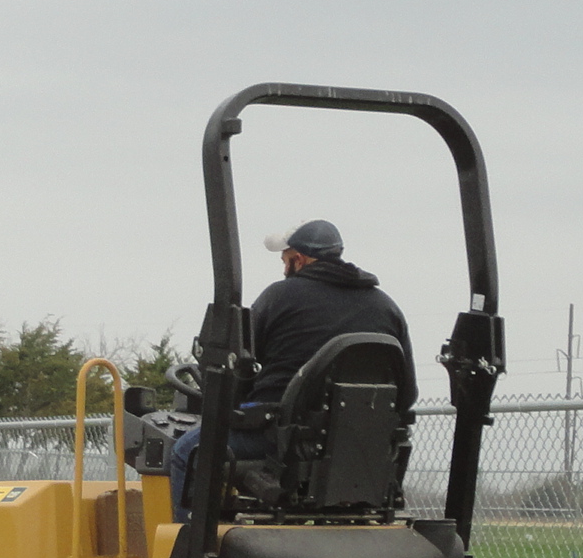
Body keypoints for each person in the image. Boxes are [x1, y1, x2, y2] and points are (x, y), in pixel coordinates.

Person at [170, 219, 415, 521]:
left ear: (298, 259)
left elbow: (238, 365)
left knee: (186, 450)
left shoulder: (279, 297)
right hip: (361, 449)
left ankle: (186, 557)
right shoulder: (387, 308)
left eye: (285, 260)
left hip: (280, 440)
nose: (284, 268)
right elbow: (408, 393)